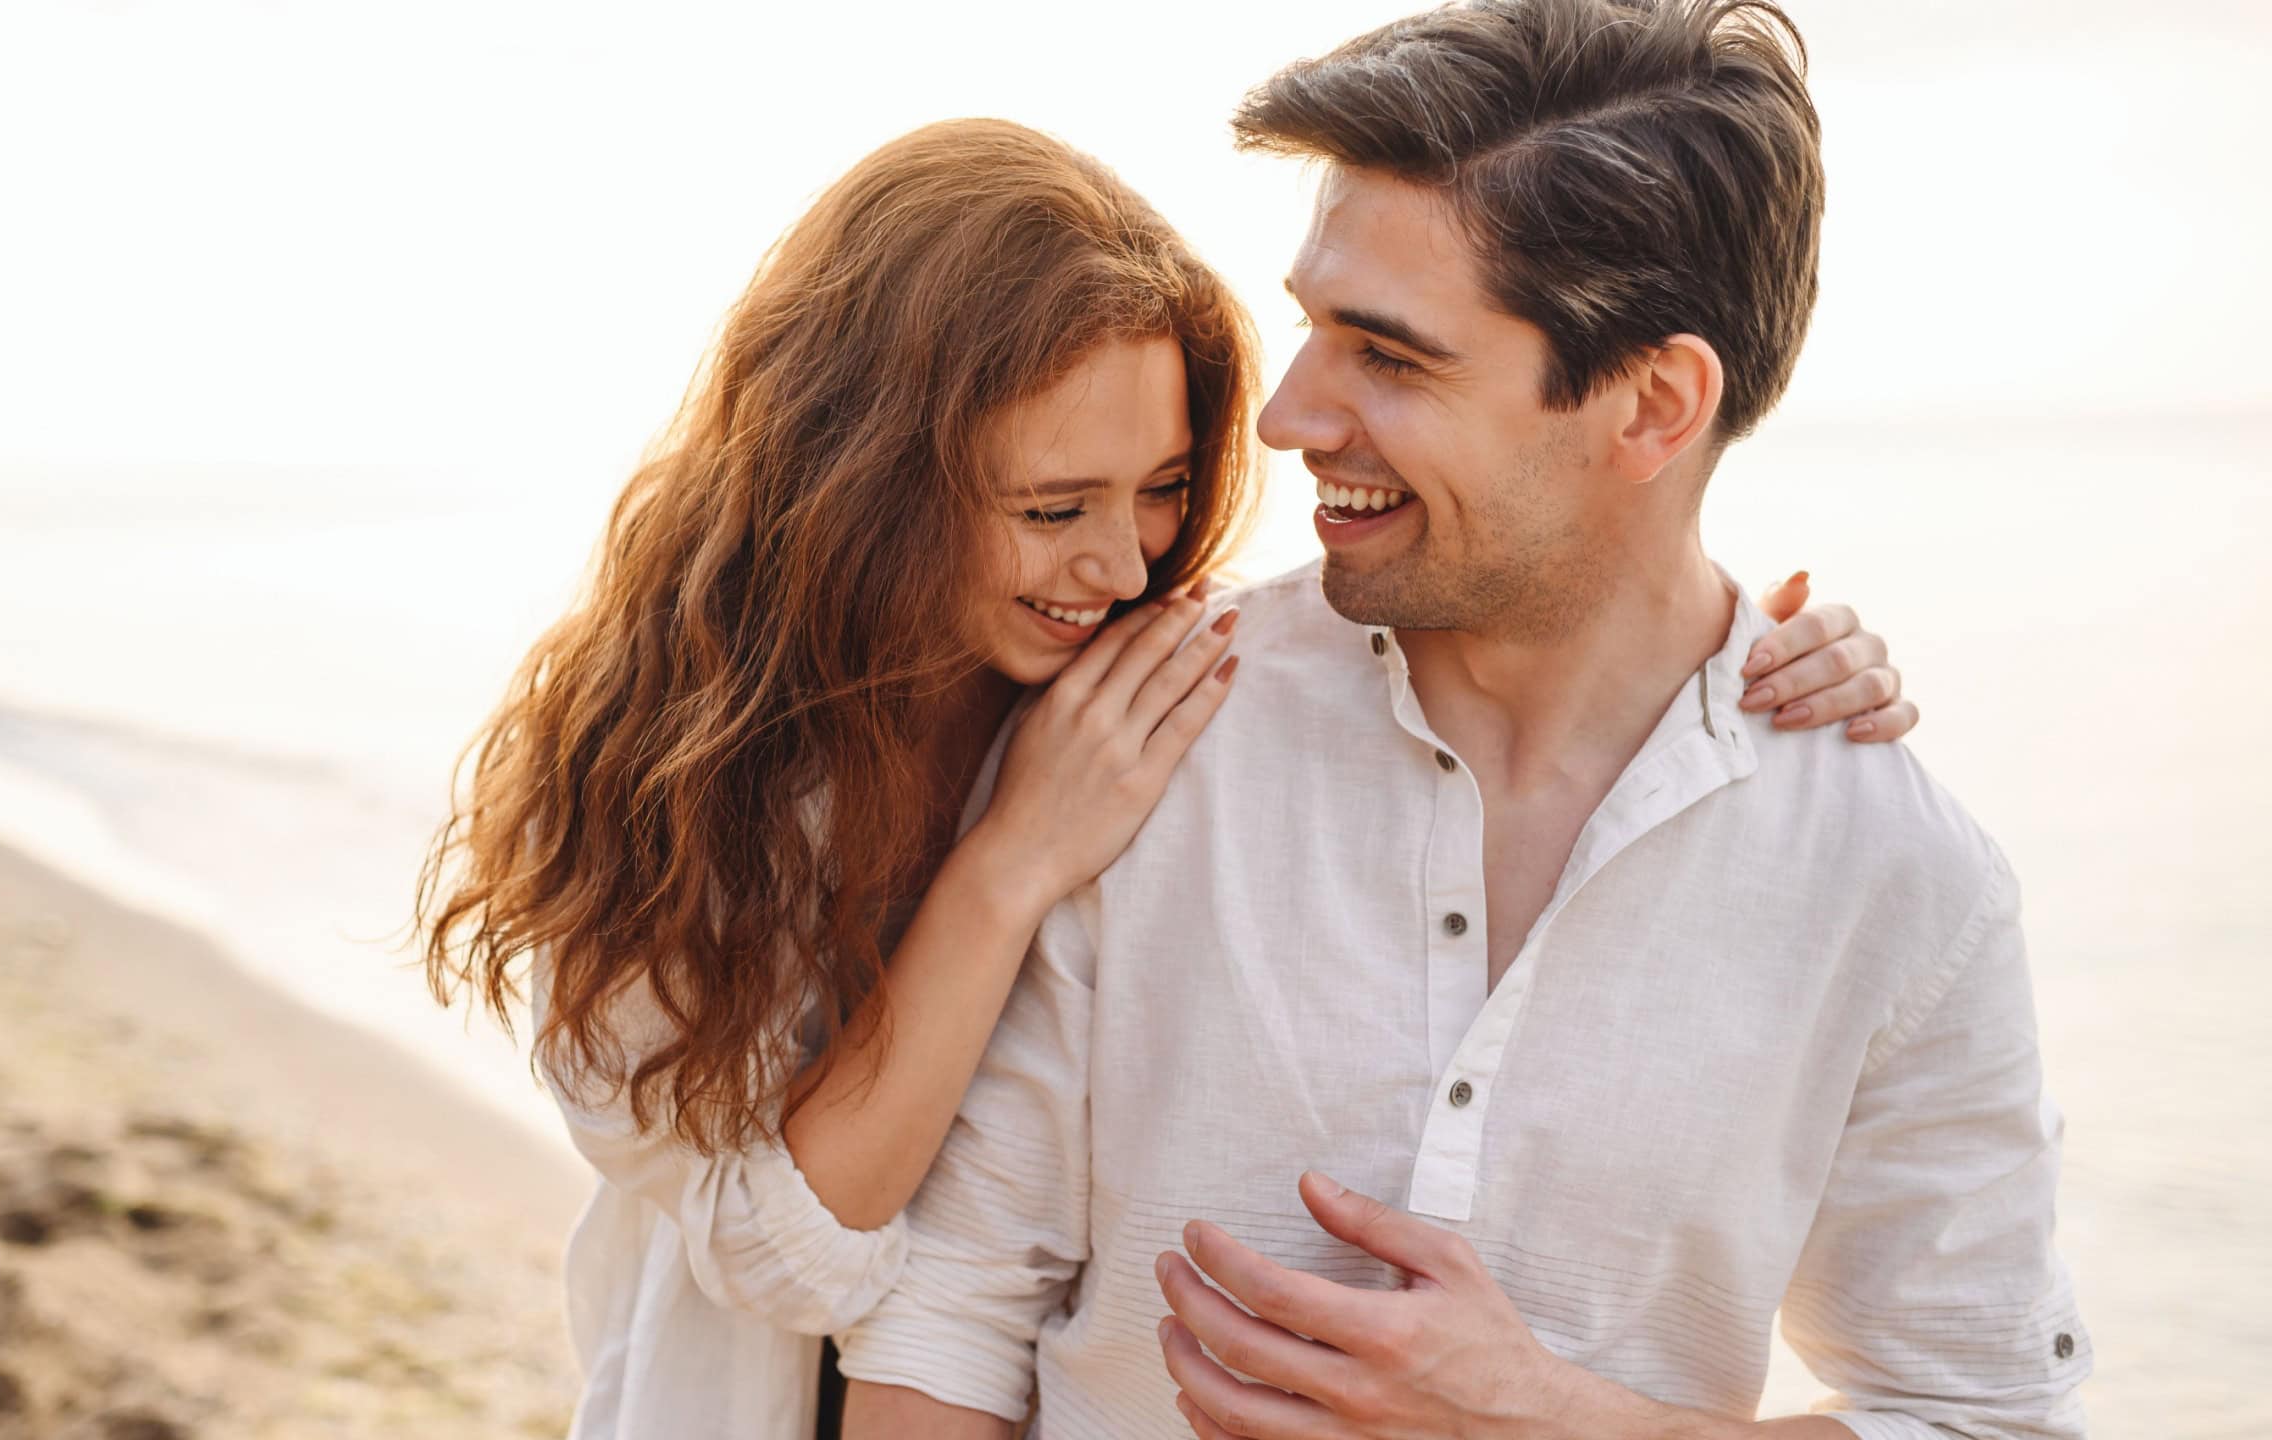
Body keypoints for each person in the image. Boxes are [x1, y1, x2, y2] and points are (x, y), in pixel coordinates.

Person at [416, 117, 1918, 1440]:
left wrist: (1728, 675)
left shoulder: (1136, 677)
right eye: (1052, 504)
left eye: (1164, 492)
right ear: (859, 478)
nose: (1121, 563)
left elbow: (1548, 583)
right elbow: (788, 1258)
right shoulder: (649, 788)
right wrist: (1009, 864)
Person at [835, 4, 2086, 1440]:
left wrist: (1538, 1419)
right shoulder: (1142, 735)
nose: (1289, 415)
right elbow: (956, 1307)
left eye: (1392, 356)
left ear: (1653, 406)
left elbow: (1987, 1415)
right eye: (1313, 325)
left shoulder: (1895, 877)